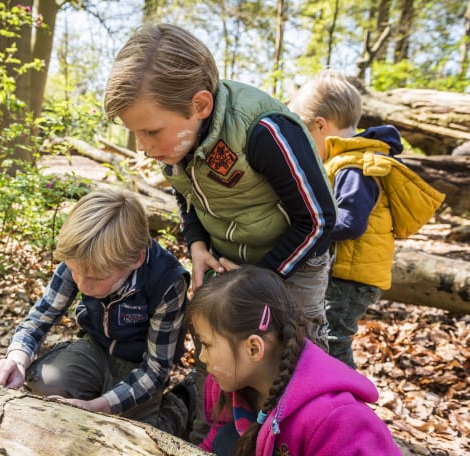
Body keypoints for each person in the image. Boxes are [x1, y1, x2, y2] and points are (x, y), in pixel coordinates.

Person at [104, 23, 336, 444]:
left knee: (290, 355)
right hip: (226, 261)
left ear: (200, 104)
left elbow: (318, 220)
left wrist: (257, 280)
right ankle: (207, 436)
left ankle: (289, 437)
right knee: (217, 352)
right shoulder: (176, 141)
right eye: (135, 132)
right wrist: (195, 244)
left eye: (150, 131)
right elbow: (186, 198)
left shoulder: (262, 130)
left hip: (292, 260)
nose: (142, 145)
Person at [0, 188, 194, 436]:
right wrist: (16, 359)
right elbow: (39, 318)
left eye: (96, 278)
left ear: (135, 260)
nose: (83, 285)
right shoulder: (82, 256)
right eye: (76, 272)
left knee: (137, 434)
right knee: (45, 382)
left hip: (140, 364)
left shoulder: (167, 281)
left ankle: (183, 399)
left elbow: (156, 369)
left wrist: (98, 407)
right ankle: (95, 389)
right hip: (97, 348)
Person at [287, 69, 445, 367]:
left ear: (320, 126)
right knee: (324, 334)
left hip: (353, 277)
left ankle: (349, 402)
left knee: (334, 338)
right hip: (347, 271)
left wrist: (311, 224)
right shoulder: (347, 159)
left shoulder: (355, 166)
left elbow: (351, 223)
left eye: (305, 135)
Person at [188, 264, 402, 456]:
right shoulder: (228, 385)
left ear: (253, 348)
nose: (201, 356)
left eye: (206, 345)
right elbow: (214, 443)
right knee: (227, 439)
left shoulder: (335, 420)